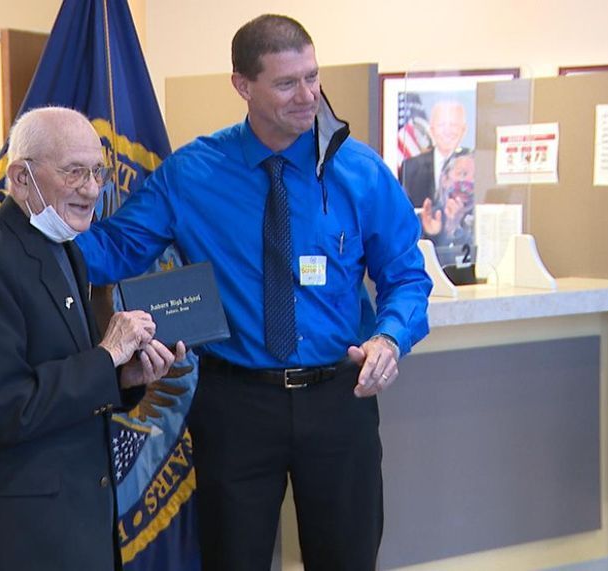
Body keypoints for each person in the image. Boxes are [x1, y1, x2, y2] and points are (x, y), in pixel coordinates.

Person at [75, 14, 432, 571]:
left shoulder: (359, 171)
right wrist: (31, 228)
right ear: (242, 85)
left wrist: (390, 337)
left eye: (312, 77)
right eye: (287, 83)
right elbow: (112, 251)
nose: (307, 96)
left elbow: (407, 277)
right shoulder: (193, 173)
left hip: (339, 400)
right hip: (236, 404)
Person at [0, 106, 185, 570]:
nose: (92, 189)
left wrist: (126, 377)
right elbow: (6, 408)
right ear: (21, 178)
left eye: (96, 171)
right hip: (21, 537)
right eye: (74, 172)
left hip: (74, 527)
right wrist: (107, 355)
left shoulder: (66, 247)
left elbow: (72, 373)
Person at [400, 100, 468, 208]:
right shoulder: (410, 168)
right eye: (441, 125)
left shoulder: (474, 166)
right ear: (431, 130)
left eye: (453, 125)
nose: (447, 131)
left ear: (464, 130)